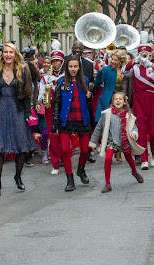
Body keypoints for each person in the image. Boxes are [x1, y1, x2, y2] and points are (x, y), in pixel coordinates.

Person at [0, 43, 38, 196]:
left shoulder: (22, 70)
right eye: (5, 52)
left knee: (22, 145)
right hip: (1, 110)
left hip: (18, 110)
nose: (8, 55)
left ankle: (18, 175)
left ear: (15, 54)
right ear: (2, 54)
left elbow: (28, 93)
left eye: (11, 52)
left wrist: (28, 113)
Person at [122, 43, 154, 170]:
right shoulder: (135, 67)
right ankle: (143, 159)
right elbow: (123, 71)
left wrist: (151, 64)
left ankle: (153, 152)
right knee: (140, 130)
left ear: (151, 53)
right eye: (142, 54)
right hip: (138, 100)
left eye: (147, 54)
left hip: (153, 100)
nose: (144, 57)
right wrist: (133, 61)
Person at [89, 92, 145, 193]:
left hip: (124, 141)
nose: (118, 100)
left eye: (120, 99)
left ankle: (135, 172)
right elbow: (98, 128)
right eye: (116, 99)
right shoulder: (107, 114)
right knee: (108, 158)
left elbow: (134, 127)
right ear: (113, 102)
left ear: (124, 102)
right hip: (112, 141)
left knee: (129, 158)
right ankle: (107, 183)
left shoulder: (128, 115)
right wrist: (92, 142)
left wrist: (133, 134)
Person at [52, 55, 92, 192]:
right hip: (65, 120)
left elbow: (88, 103)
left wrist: (89, 97)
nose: (73, 69)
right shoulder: (61, 82)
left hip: (82, 119)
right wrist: (55, 124)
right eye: (70, 66)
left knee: (86, 149)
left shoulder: (85, 81)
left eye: (75, 66)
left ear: (79, 67)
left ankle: (81, 169)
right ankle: (70, 178)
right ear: (66, 67)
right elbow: (57, 103)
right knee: (64, 150)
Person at [70, 41, 96, 163]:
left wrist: (91, 86)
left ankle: (89, 152)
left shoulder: (88, 65)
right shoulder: (66, 61)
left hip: (85, 101)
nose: (77, 50)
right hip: (70, 100)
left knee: (88, 127)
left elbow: (91, 81)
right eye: (75, 47)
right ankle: (64, 153)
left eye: (80, 48)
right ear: (72, 48)